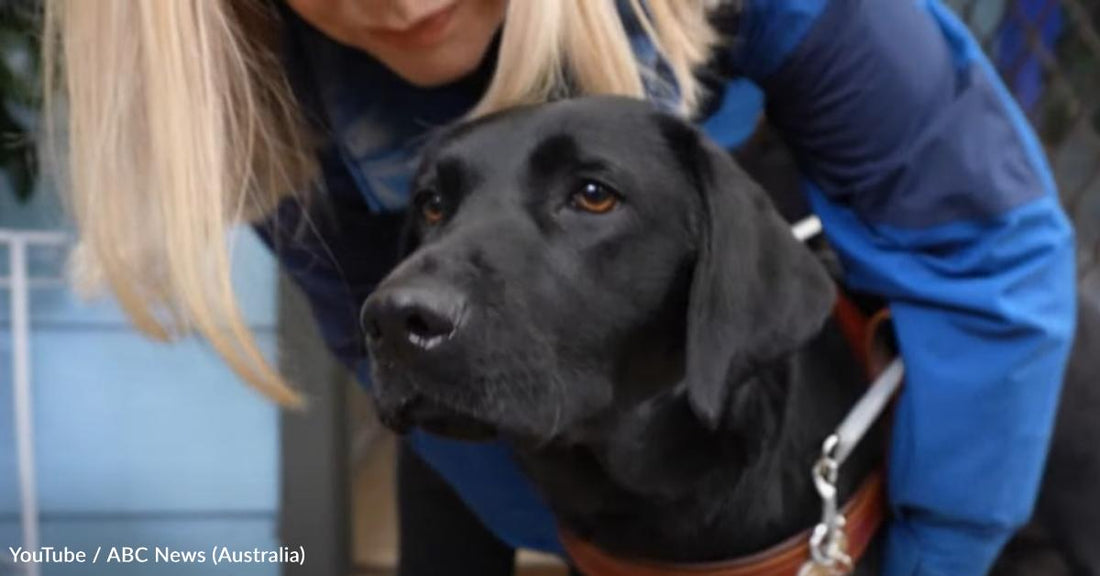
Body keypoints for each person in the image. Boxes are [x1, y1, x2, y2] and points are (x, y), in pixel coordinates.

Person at [42, 0, 1076, 575]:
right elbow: (408, 364)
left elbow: (987, 258)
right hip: (521, 385)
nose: (397, 0)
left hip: (740, 249)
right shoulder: (253, 82)